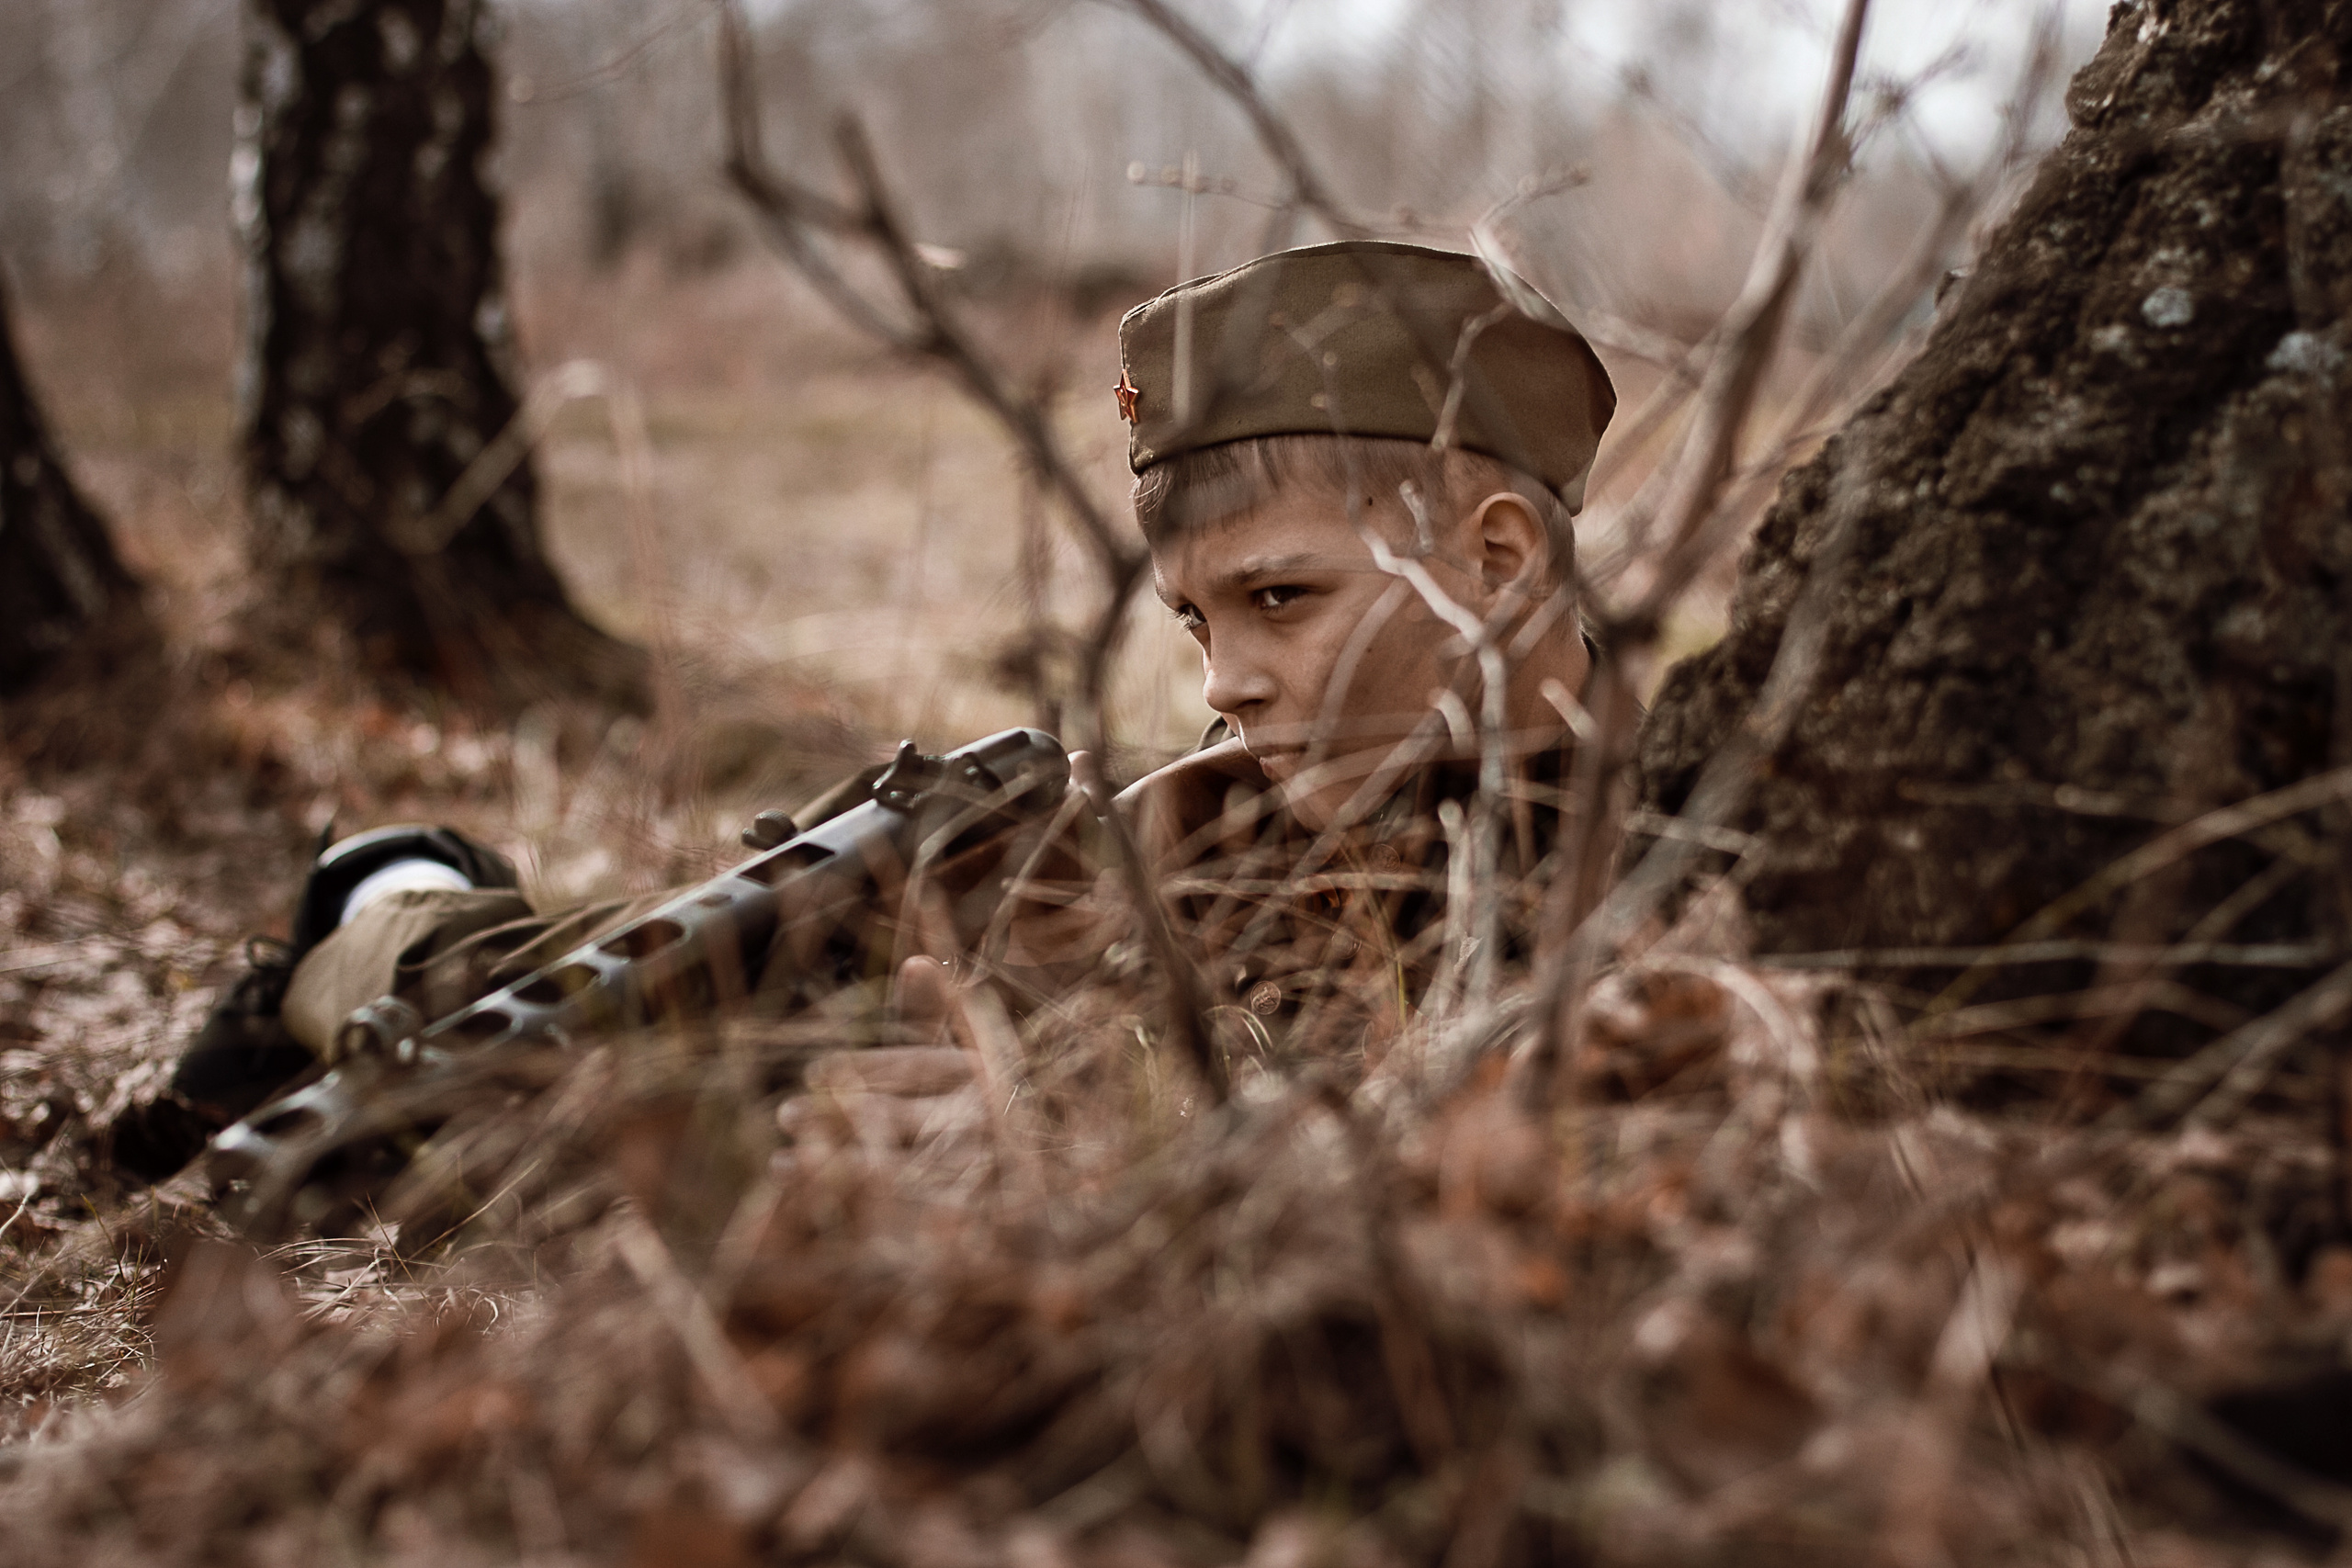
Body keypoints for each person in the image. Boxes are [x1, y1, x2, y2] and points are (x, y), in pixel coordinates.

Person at [112, 239, 1615, 1179]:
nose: (1224, 682)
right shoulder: (1185, 828)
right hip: (913, 892)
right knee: (530, 1001)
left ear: (1496, 557)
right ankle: (382, 886)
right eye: (1196, 622)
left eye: (1282, 601)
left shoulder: (1671, 858)